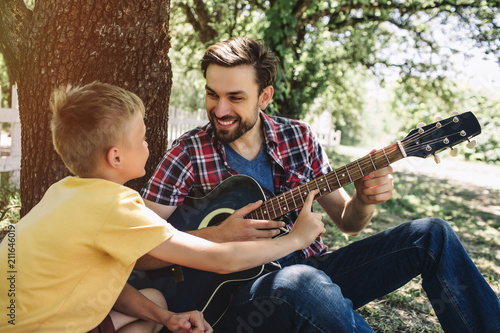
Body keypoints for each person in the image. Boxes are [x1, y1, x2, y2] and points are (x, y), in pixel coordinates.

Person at [138, 37, 500, 332]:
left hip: (314, 274)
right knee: (301, 282)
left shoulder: (300, 138)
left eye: (235, 97)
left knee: (431, 235)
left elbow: (347, 220)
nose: (219, 109)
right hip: (231, 298)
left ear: (265, 96)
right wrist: (218, 236)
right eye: (212, 94)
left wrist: (363, 199)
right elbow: (139, 252)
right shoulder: (186, 153)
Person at [0, 81, 325, 332]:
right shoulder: (115, 205)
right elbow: (222, 260)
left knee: (155, 302)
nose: (147, 144)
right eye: (141, 138)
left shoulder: (63, 192)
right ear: (115, 157)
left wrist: (167, 318)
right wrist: (296, 239)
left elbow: (108, 288)